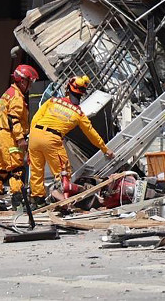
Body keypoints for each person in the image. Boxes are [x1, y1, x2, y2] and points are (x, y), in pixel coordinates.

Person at [28, 76, 114, 208]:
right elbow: (91, 133)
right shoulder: (78, 113)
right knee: (63, 172)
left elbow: (35, 119)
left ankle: (37, 200)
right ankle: (63, 201)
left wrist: (32, 138)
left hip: (35, 135)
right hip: (52, 139)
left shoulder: (52, 101)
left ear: (68, 89)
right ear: (82, 94)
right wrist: (105, 149)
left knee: (36, 170)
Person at [0, 64, 39, 212]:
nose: (30, 86)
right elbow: (13, 119)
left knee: (2, 169)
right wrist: (21, 138)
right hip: (10, 136)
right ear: (23, 81)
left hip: (1, 135)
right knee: (17, 169)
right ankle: (18, 201)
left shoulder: (8, 93)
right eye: (30, 82)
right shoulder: (17, 97)